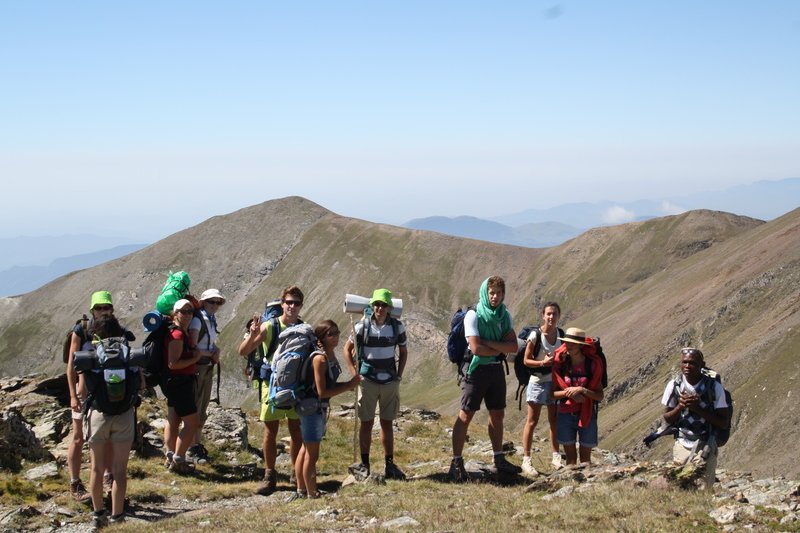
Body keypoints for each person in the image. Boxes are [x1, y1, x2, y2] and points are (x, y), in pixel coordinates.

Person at [449, 276, 520, 482]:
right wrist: (498, 347)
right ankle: (456, 462)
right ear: (485, 293)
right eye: (491, 293)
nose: (495, 297)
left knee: (497, 415)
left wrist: (488, 343)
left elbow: (513, 347)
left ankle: (498, 458)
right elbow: (475, 348)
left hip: (496, 369)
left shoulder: (504, 316)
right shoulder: (474, 315)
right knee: (466, 415)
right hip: (475, 370)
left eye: (499, 292)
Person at [65, 290, 133, 502]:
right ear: (92, 310)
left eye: (107, 307)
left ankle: (108, 478)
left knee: (110, 439)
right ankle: (75, 482)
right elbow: (71, 366)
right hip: (84, 393)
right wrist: (73, 395)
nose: (103, 311)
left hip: (107, 394)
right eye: (99, 308)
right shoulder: (82, 331)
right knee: (78, 437)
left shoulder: (116, 330)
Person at [238, 286, 305, 494]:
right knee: (270, 431)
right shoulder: (269, 326)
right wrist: (253, 334)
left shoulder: (305, 328)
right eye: (289, 302)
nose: (292, 306)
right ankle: (269, 475)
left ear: (301, 305)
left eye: (296, 303)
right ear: (282, 304)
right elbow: (244, 351)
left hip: (296, 386)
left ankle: (296, 474)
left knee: (296, 431)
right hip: (272, 385)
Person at [82, 314, 143, 526]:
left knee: (97, 469)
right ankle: (118, 516)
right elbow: (140, 385)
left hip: (98, 414)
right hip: (124, 415)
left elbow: (83, 389)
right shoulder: (128, 352)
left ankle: (98, 515)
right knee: (119, 470)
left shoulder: (90, 352)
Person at [343, 288, 408, 480]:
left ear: (389, 307)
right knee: (367, 423)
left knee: (386, 423)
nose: (379, 308)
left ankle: (389, 464)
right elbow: (346, 350)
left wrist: (399, 376)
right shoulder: (361, 326)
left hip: (389, 381)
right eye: (376, 304)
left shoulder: (398, 327)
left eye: (383, 305)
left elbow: (404, 351)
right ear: (372, 306)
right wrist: (355, 375)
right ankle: (365, 464)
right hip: (368, 381)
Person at [294, 320, 361, 498]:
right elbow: (322, 392)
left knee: (305, 448)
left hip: (313, 408)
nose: (335, 337)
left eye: (337, 332)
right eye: (330, 334)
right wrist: (348, 385)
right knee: (312, 454)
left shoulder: (329, 356)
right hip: (313, 409)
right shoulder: (320, 359)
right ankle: (311, 492)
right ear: (321, 338)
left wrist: (347, 385)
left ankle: (302, 489)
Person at [662, 347, 729, 490]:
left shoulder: (714, 388)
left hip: (706, 445)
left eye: (692, 363)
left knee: (704, 488)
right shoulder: (674, 385)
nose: (687, 366)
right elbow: (667, 418)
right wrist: (680, 407)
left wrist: (697, 408)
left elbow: (723, 422)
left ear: (702, 365)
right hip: (682, 443)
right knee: (680, 486)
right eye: (684, 362)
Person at [551, 327, 605, 466]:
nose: (568, 346)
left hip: (587, 415)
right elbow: (552, 394)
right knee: (570, 459)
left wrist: (582, 390)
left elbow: (600, 396)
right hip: (565, 414)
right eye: (567, 342)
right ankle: (572, 484)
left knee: (585, 460)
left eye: (572, 343)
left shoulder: (591, 365)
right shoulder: (561, 364)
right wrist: (570, 393)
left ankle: (585, 486)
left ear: (581, 345)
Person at [520, 301, 563, 474]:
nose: (551, 317)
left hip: (554, 383)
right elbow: (526, 360)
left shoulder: (561, 334)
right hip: (537, 382)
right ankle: (526, 459)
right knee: (532, 421)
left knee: (554, 420)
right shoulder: (535, 335)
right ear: (543, 316)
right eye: (549, 314)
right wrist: (542, 363)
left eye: (554, 314)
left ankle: (556, 457)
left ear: (559, 316)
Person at [163, 298, 202, 474]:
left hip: (174, 383)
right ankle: (178, 460)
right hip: (180, 383)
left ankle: (170, 456)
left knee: (173, 420)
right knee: (192, 423)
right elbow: (173, 364)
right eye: (183, 312)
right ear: (175, 313)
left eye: (190, 312)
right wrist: (195, 358)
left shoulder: (178, 332)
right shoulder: (177, 335)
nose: (186, 315)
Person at [187, 288, 225, 464]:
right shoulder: (197, 320)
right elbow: (193, 347)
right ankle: (190, 447)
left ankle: (196, 445)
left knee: (201, 408)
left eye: (217, 302)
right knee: (195, 407)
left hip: (206, 367)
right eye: (211, 302)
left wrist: (214, 351)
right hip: (198, 368)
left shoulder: (209, 320)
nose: (215, 305)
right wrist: (211, 354)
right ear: (203, 302)